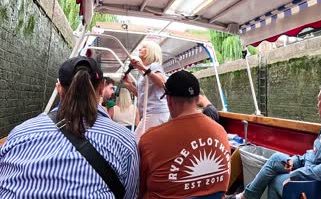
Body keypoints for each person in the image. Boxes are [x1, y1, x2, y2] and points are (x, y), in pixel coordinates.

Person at [0, 56, 139, 198]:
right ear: (102, 87)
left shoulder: (19, 133)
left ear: (59, 87)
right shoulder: (125, 141)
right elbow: (129, 195)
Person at [228, 80, 321, 199]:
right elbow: (317, 154)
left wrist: (297, 174)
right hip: (314, 172)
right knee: (277, 158)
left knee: (277, 181)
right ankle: (247, 196)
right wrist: (297, 161)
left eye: (319, 99)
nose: (317, 103)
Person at [139, 70, 231, 198]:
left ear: (169, 100)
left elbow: (139, 188)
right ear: (198, 98)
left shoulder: (150, 139)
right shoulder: (220, 131)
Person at [123, 41, 170, 141]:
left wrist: (143, 68)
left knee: (135, 141)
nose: (140, 49)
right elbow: (143, 96)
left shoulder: (154, 66)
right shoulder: (146, 70)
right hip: (150, 113)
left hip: (156, 112)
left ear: (151, 51)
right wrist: (130, 86)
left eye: (143, 47)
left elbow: (162, 83)